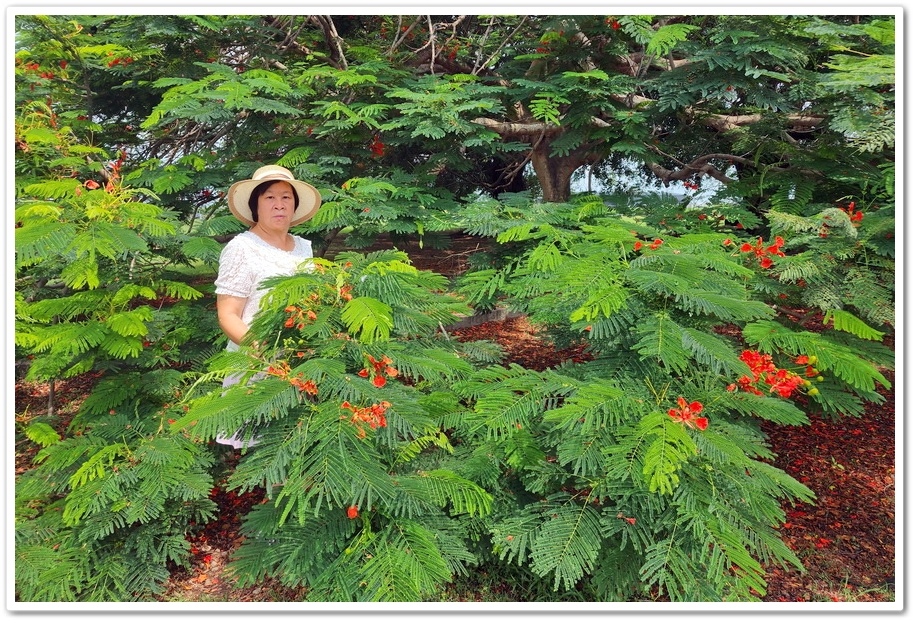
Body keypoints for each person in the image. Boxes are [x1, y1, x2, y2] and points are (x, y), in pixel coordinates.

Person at [213, 164, 322, 448]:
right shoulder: (241, 248)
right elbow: (227, 315)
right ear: (255, 206)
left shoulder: (303, 247)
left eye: (286, 197)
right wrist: (267, 354)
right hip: (257, 361)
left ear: (295, 206)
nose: (279, 205)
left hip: (302, 360)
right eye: (270, 197)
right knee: (268, 452)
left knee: (300, 443)